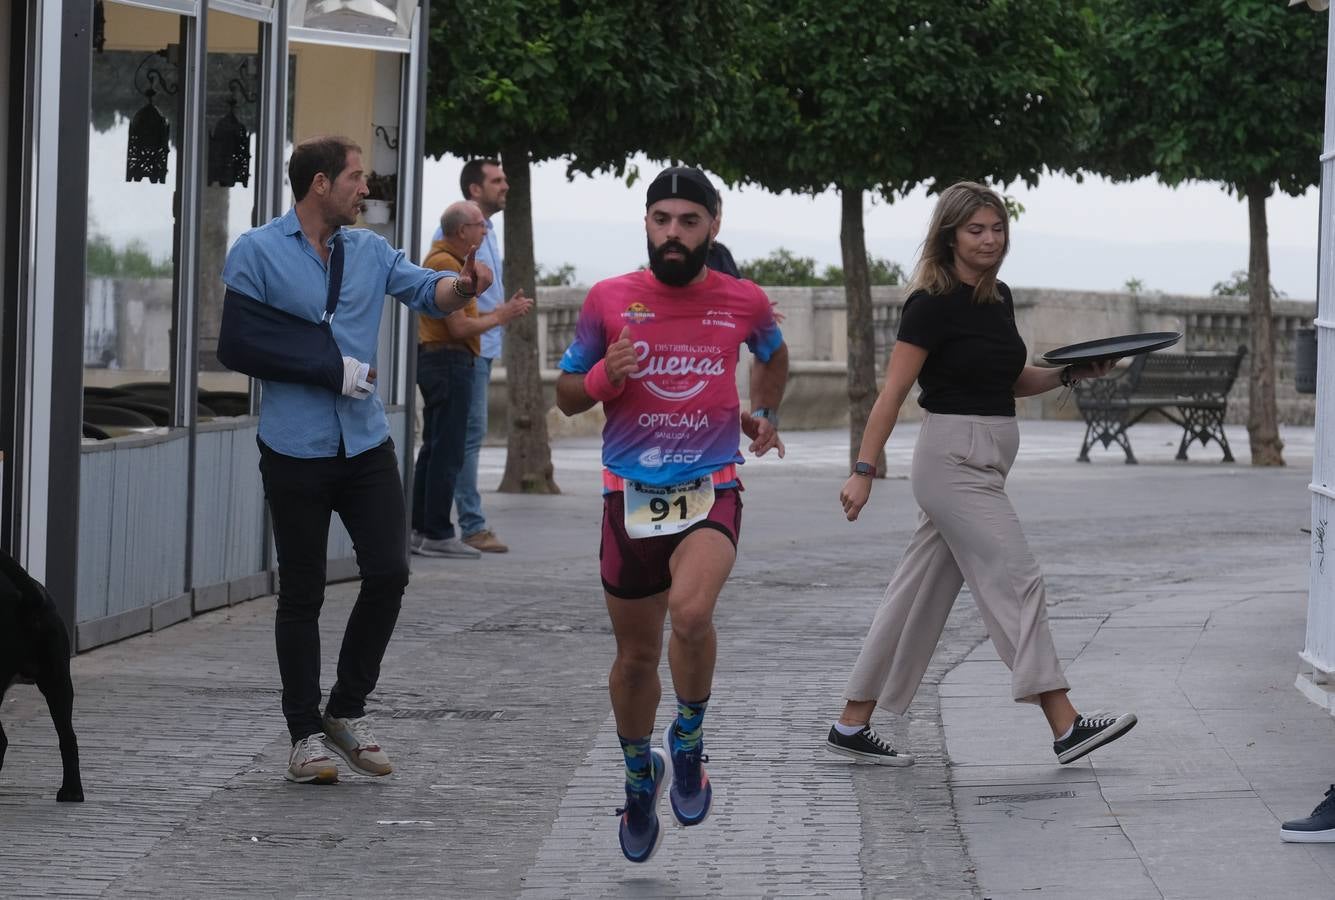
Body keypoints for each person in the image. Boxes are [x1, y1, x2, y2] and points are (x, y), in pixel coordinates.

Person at [824, 181, 1137, 768]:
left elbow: (1015, 380)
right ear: (950, 235)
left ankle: (852, 722)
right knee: (1016, 578)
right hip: (952, 459)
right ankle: (1065, 722)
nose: (989, 239)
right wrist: (863, 470)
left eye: (997, 229)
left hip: (988, 457)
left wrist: (1076, 372)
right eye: (976, 229)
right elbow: (893, 392)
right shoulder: (930, 304)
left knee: (914, 595)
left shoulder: (999, 299)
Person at [222, 135, 491, 785]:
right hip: (294, 447)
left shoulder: (370, 252)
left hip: (365, 442)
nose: (364, 189)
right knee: (303, 592)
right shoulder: (255, 252)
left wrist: (462, 283)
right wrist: (325, 368)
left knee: (390, 570)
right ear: (320, 184)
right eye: (354, 178)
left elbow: (429, 293)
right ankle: (303, 736)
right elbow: (239, 344)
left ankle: (345, 709)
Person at [556, 166, 789, 864]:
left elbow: (774, 357)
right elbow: (568, 394)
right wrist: (606, 377)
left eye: (689, 221)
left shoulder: (743, 301)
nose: (674, 233)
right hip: (627, 497)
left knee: (689, 616)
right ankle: (638, 776)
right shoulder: (609, 299)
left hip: (710, 487)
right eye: (662, 219)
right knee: (632, 659)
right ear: (647, 224)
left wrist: (766, 413)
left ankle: (686, 742)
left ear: (713, 225)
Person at [412, 201, 533, 559]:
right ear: (462, 231)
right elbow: (460, 326)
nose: (486, 230)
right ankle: (436, 532)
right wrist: (502, 315)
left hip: (440, 361)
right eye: (480, 225)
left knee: (436, 449)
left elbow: (477, 293)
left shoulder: (446, 261)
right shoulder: (445, 265)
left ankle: (421, 530)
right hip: (449, 360)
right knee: (447, 450)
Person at [454, 158, 513, 554]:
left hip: (485, 346)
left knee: (464, 437)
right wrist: (499, 316)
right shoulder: (465, 234)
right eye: (497, 180)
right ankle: (471, 525)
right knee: (466, 438)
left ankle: (444, 522)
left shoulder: (488, 231)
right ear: (475, 189)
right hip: (469, 347)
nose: (505, 186)